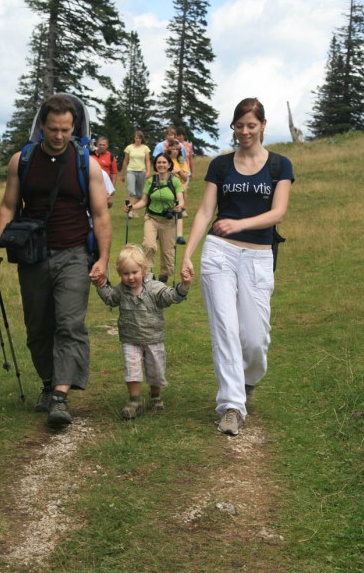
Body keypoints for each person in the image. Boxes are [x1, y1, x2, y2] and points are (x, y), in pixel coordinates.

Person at [0, 95, 111, 427]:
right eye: (53, 129)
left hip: (74, 253)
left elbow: (100, 214)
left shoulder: (86, 163)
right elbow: (8, 207)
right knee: (38, 327)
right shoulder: (21, 161)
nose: (60, 136)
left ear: (74, 127)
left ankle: (60, 397)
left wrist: (103, 259)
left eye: (66, 129)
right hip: (32, 256)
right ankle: (49, 383)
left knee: (70, 324)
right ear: (42, 126)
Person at [181, 97, 294, 436]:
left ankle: (248, 380)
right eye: (239, 125)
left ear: (262, 126)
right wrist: (188, 253)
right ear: (233, 126)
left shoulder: (280, 166)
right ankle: (231, 405)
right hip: (219, 254)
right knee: (226, 331)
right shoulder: (220, 165)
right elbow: (204, 212)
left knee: (256, 339)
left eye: (251, 125)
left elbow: (278, 213)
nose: (244, 132)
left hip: (259, 255)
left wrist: (240, 225)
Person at [94, 244, 193, 419]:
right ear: (120, 274)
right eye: (126, 274)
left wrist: (183, 286)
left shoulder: (154, 288)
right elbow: (110, 299)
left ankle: (155, 396)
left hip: (153, 338)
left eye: (134, 272)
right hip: (130, 339)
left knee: (155, 371)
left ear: (144, 269)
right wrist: (101, 286)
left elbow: (170, 297)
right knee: (132, 369)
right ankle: (134, 401)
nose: (130, 277)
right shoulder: (121, 290)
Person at [125, 152, 184, 283]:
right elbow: (144, 201)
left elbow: (180, 199)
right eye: (159, 162)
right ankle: (148, 273)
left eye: (164, 162)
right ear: (155, 165)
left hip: (168, 221)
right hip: (151, 218)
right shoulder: (151, 181)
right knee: (149, 245)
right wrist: (132, 207)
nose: (161, 165)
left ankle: (164, 275)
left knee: (168, 252)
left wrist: (179, 206)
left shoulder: (175, 181)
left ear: (169, 165)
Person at [120, 131, 151, 216]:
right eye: (136, 138)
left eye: (139, 138)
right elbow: (125, 161)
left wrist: (148, 171)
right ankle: (130, 210)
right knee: (131, 191)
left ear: (142, 139)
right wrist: (122, 174)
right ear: (134, 138)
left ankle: (135, 210)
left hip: (142, 171)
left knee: (139, 193)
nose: (138, 140)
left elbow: (147, 161)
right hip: (131, 171)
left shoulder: (145, 148)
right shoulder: (129, 148)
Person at [166, 139, 189, 245]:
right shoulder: (165, 159)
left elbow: (185, 178)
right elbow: (158, 172)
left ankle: (179, 236)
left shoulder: (181, 162)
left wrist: (179, 171)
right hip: (166, 189)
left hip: (177, 188)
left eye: (177, 149)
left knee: (178, 211)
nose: (175, 151)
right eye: (173, 149)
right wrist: (171, 172)